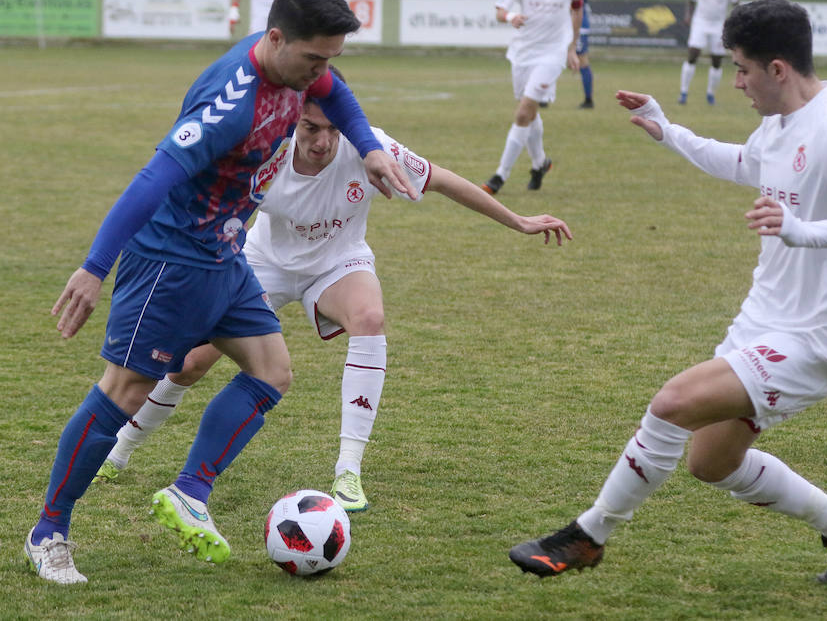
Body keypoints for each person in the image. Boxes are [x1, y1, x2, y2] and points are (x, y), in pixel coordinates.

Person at [24, 0, 418, 585]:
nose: (323, 72)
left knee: (271, 373)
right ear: (277, 38)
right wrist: (95, 267)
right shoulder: (233, 105)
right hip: (170, 261)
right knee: (123, 393)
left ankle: (190, 490)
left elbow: (336, 95)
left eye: (331, 59)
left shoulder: (298, 70)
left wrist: (365, 144)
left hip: (225, 255)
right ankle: (48, 531)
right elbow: (151, 178)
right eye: (315, 57)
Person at [509, 0, 827, 584]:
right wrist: (670, 132)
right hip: (761, 322)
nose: (736, 81)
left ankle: (589, 535)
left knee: (671, 404)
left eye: (741, 68)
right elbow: (744, 161)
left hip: (814, 340)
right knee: (711, 462)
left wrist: (803, 232)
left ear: (777, 69)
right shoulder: (779, 124)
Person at [92, 68, 572, 515]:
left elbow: (441, 180)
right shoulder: (266, 150)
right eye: (309, 129)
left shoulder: (370, 148)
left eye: (331, 129)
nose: (322, 141)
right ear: (291, 121)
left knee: (369, 318)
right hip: (261, 262)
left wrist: (519, 221)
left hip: (337, 261)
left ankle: (348, 471)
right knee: (192, 362)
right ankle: (122, 449)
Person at [482, 0, 583, 196]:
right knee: (530, 112)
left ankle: (499, 176)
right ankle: (540, 163)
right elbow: (500, 11)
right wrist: (511, 17)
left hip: (552, 54)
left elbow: (577, 9)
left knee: (524, 112)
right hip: (522, 53)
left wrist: (572, 48)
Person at [678, 0, 739, 106]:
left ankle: (711, 94)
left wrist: (733, 20)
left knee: (717, 61)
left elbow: (736, 4)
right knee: (692, 55)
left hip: (718, 25)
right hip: (700, 23)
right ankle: (683, 92)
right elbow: (691, 1)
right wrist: (688, 16)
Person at [560, 0, 593, 110]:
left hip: (577, 22)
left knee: (582, 59)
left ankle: (589, 99)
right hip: (559, 22)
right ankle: (541, 97)